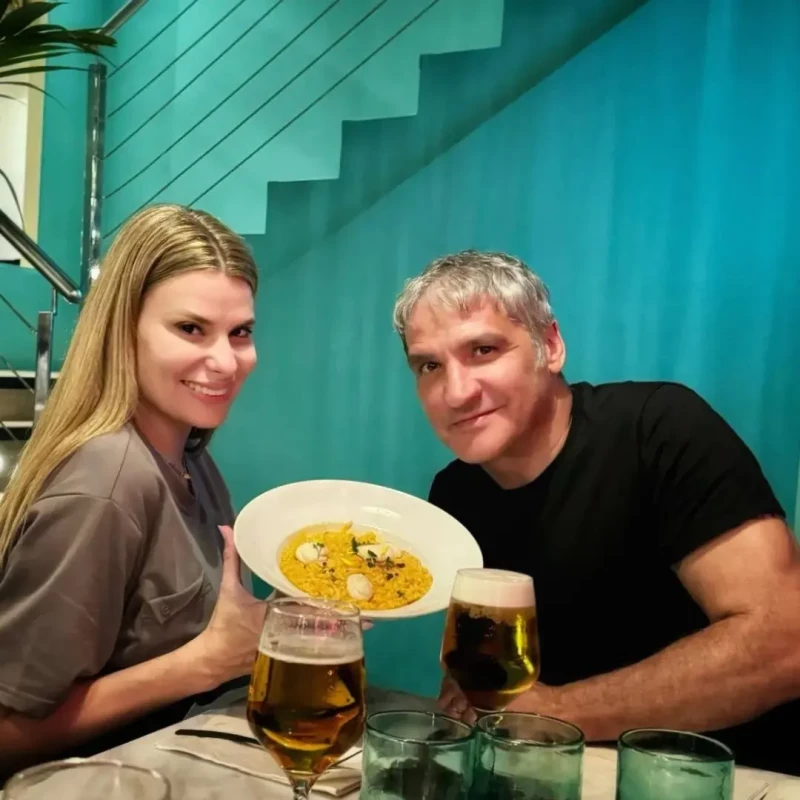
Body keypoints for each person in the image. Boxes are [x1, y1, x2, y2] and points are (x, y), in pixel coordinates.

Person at [392, 249, 800, 775]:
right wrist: (466, 693)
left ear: (551, 346)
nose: (456, 391)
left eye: (484, 350)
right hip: (548, 774)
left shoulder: (660, 430)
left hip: (735, 775)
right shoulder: (455, 492)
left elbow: (784, 641)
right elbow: (490, 675)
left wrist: (560, 711)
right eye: (429, 365)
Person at [0, 204, 265, 775]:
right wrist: (207, 662)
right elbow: (8, 732)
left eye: (240, 332)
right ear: (124, 329)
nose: (225, 361)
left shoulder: (190, 455)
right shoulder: (106, 485)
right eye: (190, 328)